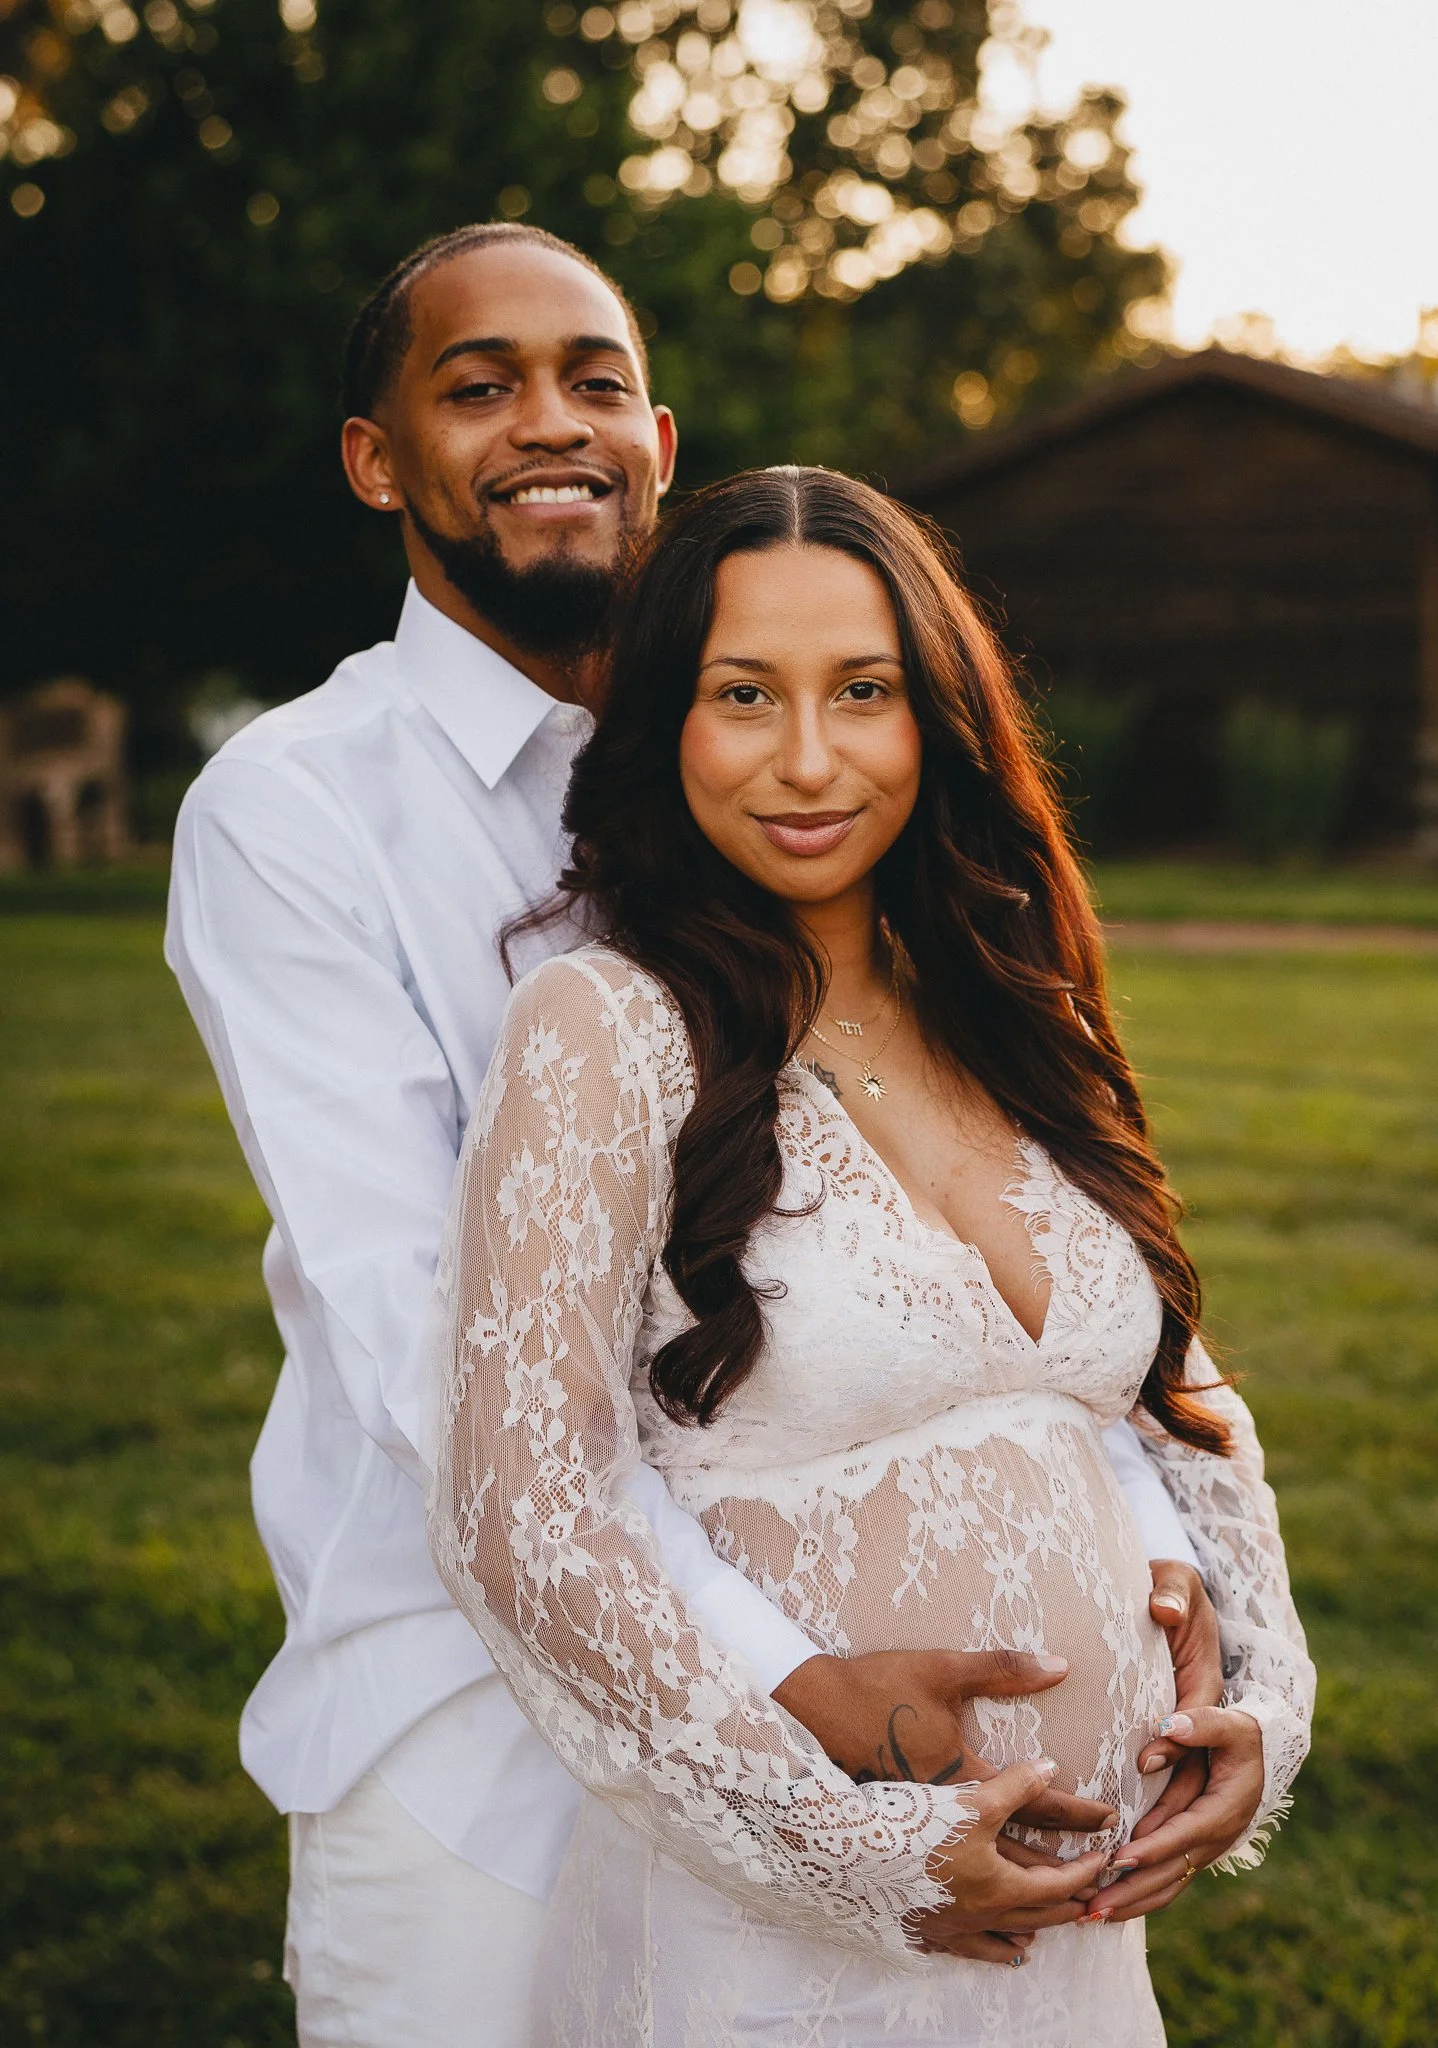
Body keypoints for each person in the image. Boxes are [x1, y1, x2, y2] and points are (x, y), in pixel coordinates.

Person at [165, 224, 1239, 2046]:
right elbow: (440, 1347)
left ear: (659, 444)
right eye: (477, 385)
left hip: (915, 1777)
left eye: (592, 381)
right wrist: (786, 1690)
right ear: (375, 459)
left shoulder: (798, 818)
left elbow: (1027, 1278)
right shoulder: (294, 814)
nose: (547, 425)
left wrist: (1171, 1582)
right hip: (469, 1740)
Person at [426, 464, 1315, 2043]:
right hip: (767, 1955)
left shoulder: (1005, 1006)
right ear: (663, 725)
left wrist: (1256, 1701)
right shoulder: (608, 1031)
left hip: (1071, 1955)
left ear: (939, 715)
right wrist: (851, 1849)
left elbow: (1172, 1390)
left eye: (864, 692)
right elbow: (522, 1513)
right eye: (743, 697)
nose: (808, 760)